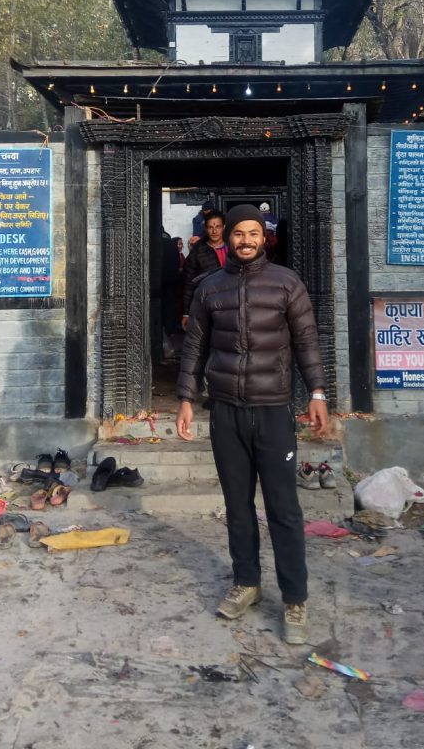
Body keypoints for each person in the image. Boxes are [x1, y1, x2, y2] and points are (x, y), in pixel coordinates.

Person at [176, 204, 328, 645]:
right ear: (229, 238)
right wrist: (186, 399)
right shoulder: (209, 287)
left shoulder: (287, 283)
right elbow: (195, 347)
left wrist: (317, 393)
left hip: (273, 411)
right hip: (225, 411)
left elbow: (307, 341)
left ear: (264, 238)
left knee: (283, 508)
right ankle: (247, 582)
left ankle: (295, 599)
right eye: (238, 233)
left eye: (252, 233)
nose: (244, 240)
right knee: (237, 506)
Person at [181, 211, 227, 330]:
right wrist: (186, 312)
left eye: (218, 227)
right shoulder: (198, 251)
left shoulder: (232, 249)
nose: (214, 231)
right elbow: (188, 283)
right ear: (205, 229)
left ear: (224, 227)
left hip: (231, 304)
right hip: (207, 304)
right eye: (210, 227)